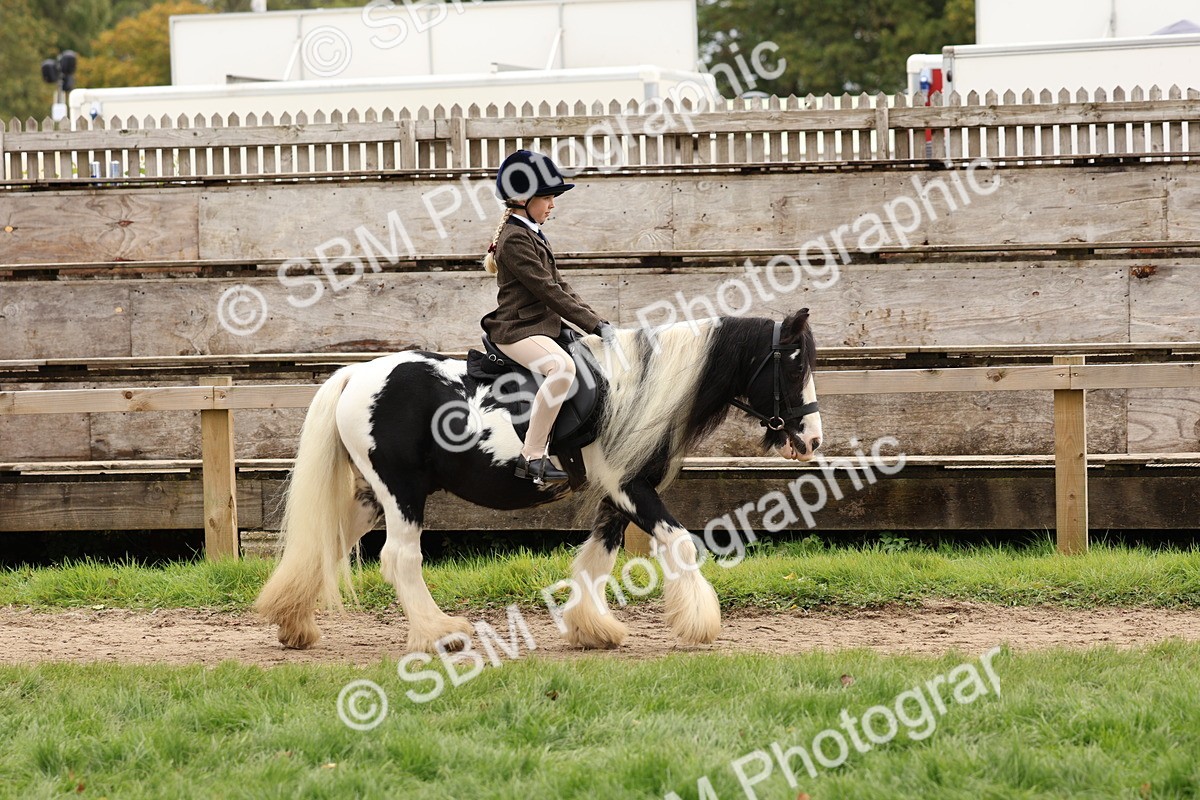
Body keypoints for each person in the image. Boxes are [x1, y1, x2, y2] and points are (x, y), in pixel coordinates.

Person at [480, 150, 615, 484]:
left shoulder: (531, 231)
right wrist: (592, 324)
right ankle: (532, 456)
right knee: (561, 368)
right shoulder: (514, 239)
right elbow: (548, 292)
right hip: (515, 330)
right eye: (548, 198)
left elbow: (560, 285)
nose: (553, 204)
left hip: (539, 327)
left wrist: (598, 322)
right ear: (524, 198)